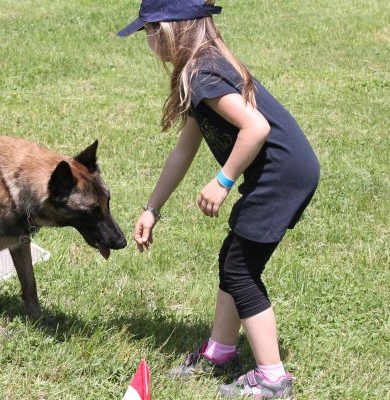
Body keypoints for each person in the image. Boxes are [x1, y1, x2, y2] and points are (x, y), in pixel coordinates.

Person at [117, 0, 320, 398]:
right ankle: (220, 352)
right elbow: (184, 150)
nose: (149, 41)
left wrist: (223, 181)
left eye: (150, 31)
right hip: (285, 172)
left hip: (281, 176)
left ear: (170, 29)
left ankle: (273, 380)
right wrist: (151, 208)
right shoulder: (200, 68)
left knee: (241, 271)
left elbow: (256, 128)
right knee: (234, 259)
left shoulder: (203, 71)